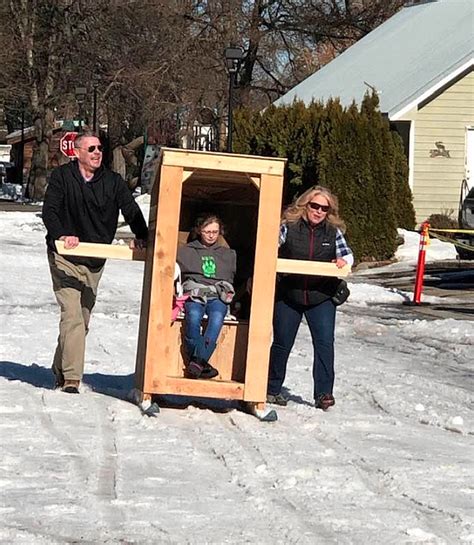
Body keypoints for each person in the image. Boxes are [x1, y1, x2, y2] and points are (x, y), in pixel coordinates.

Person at [42, 131, 148, 394]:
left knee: (82, 320)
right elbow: (50, 211)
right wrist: (61, 235)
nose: (97, 152)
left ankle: (60, 368)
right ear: (77, 152)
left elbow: (131, 210)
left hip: (94, 259)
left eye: (100, 148)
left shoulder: (112, 182)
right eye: (91, 149)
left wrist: (144, 236)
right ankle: (71, 379)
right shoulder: (62, 177)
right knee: (72, 314)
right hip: (63, 256)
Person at [266, 185, 354, 410]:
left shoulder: (333, 232)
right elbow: (268, 249)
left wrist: (343, 262)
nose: (318, 211)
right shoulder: (288, 227)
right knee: (282, 343)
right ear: (305, 205)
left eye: (324, 208)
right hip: (290, 294)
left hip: (321, 296)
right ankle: (271, 388)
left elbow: (347, 256)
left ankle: (324, 393)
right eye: (314, 206)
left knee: (325, 343)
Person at [177, 214, 236, 380]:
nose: (211, 235)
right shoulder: (187, 251)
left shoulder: (226, 254)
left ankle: (196, 362)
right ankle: (200, 363)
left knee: (217, 318)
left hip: (217, 295)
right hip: (195, 293)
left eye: (215, 232)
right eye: (207, 231)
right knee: (193, 316)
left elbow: (229, 277)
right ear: (199, 231)